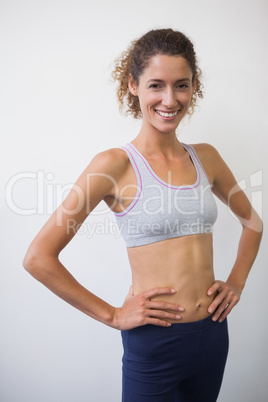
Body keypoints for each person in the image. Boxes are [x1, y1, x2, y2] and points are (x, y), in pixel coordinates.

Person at [23, 28, 263, 402]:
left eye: (181, 85)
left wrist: (237, 282)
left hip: (213, 334)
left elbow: (253, 223)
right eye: (156, 85)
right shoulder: (114, 165)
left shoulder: (207, 157)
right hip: (154, 343)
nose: (170, 99)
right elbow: (38, 258)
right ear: (133, 85)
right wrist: (113, 315)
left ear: (193, 87)